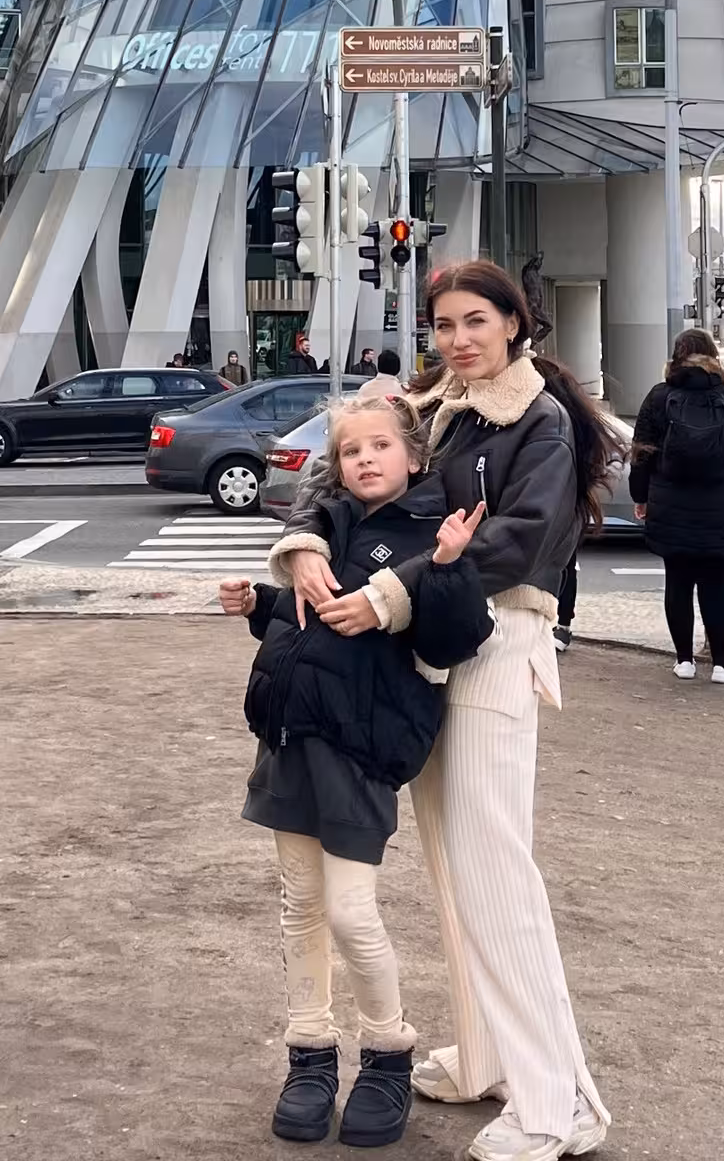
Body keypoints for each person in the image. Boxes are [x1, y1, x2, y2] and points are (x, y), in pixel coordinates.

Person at [270, 260, 613, 1161]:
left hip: (498, 642)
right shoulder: (438, 403)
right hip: (426, 650)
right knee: (455, 872)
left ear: (515, 323)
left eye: (476, 322)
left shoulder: (540, 420)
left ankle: (558, 1102)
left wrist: (390, 592)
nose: (459, 339)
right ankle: (489, 1058)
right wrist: (303, 544)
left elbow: (516, 544)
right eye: (445, 324)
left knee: (495, 875)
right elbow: (338, 465)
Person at [218, 385, 492, 1146]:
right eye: (350, 450)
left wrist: (446, 566)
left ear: (414, 456)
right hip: (289, 737)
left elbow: (452, 641)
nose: (365, 459)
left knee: (350, 911)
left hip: (361, 749)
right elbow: (315, 621)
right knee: (300, 903)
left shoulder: (433, 531)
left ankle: (386, 1053)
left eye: (380, 446)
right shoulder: (327, 523)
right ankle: (308, 1053)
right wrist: (258, 605)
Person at [629, 328, 724, 685]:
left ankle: (684, 661)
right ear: (713, 355)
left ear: (676, 356)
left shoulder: (659, 397)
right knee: (717, 583)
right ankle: (721, 664)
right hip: (722, 505)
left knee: (677, 582)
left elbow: (641, 453)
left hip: (670, 504)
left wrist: (640, 496)